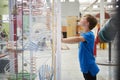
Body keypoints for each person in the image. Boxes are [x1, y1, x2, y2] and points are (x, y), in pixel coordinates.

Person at [62, 14, 99, 80]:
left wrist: (62, 40)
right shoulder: (85, 34)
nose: (81, 19)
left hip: (89, 66)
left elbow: (77, 39)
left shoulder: (89, 35)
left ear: (87, 23)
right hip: (85, 64)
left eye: (83, 18)